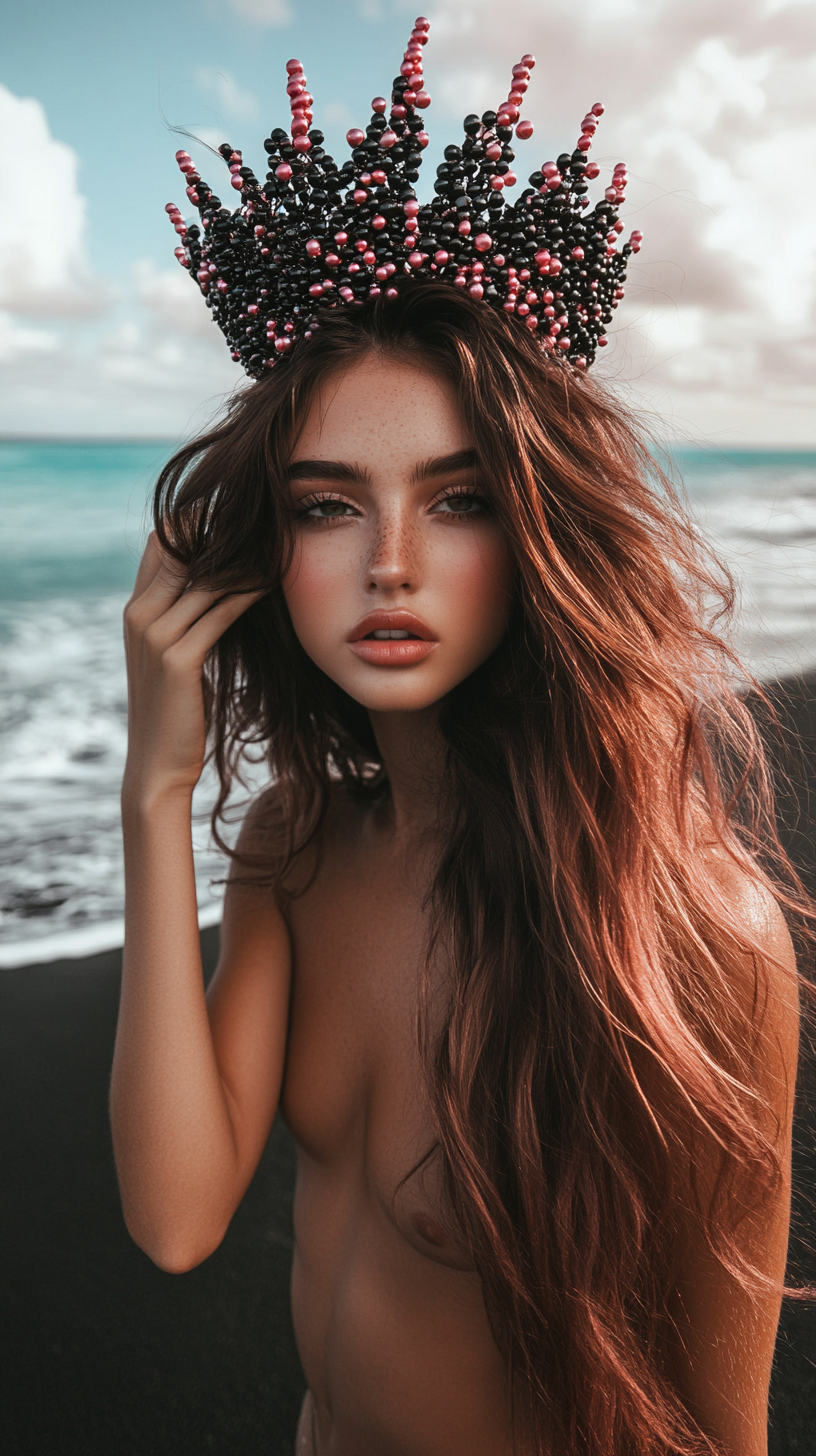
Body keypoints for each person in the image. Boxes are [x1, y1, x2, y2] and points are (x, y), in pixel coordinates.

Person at [111, 22, 808, 1456]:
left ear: (540, 528)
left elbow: (724, 1431)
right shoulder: (297, 843)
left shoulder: (693, 936)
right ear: (269, 549)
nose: (389, 565)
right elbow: (177, 1218)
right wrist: (156, 785)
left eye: (458, 497)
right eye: (325, 505)